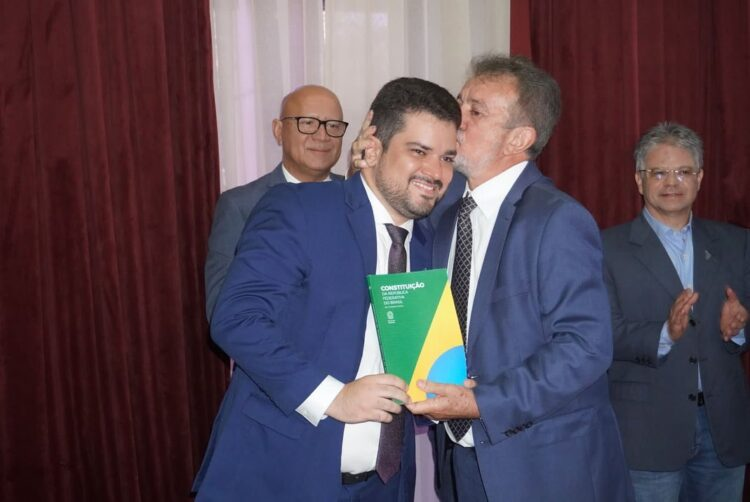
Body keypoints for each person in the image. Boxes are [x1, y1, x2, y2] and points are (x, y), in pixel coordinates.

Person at [192, 77, 461, 501]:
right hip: (279, 477)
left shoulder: (430, 242)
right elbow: (237, 319)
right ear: (374, 144)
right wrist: (335, 397)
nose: (436, 172)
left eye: (447, 157)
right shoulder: (300, 208)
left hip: (386, 485)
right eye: (418, 151)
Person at [402, 54, 633, 501]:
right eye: (458, 103)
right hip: (459, 459)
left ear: (519, 138)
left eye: (475, 110)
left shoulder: (558, 219)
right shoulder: (447, 218)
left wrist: (481, 402)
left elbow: (585, 347)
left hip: (542, 466)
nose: (456, 118)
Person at [602, 122, 750, 501]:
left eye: (683, 171)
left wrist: (738, 329)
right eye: (659, 173)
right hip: (647, 432)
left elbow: (745, 320)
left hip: (723, 429)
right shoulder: (606, 248)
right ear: (639, 180)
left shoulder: (736, 242)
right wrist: (665, 333)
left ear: (699, 178)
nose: (672, 182)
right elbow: (603, 335)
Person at [204, 84, 346, 320]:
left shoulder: (356, 196)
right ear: (278, 130)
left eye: (333, 126)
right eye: (307, 123)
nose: (322, 136)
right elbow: (222, 309)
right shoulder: (241, 205)